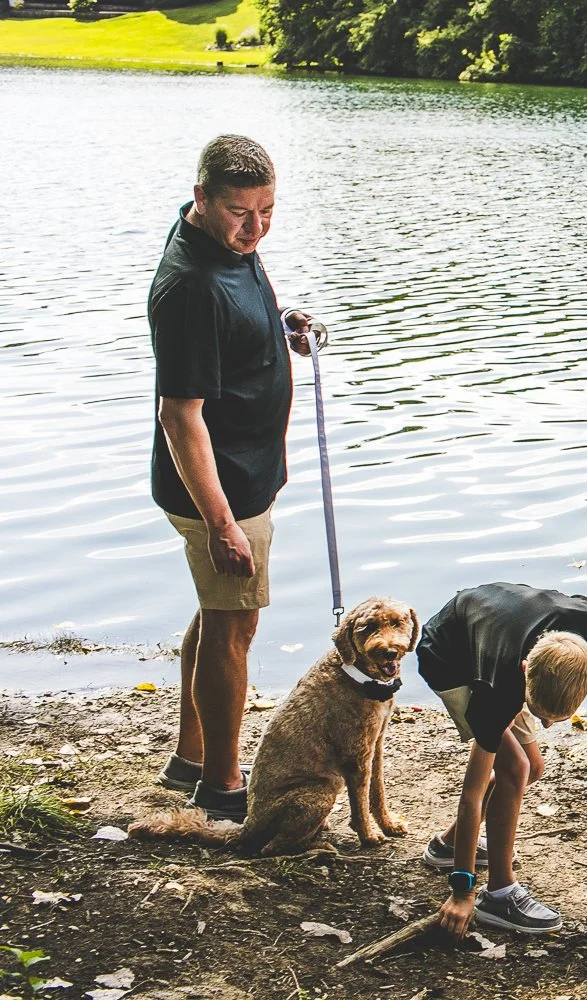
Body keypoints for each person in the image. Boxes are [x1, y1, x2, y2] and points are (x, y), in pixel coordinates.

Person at [150, 134, 317, 822]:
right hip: (220, 487)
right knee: (234, 627)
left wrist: (281, 325)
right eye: (240, 214)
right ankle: (222, 786)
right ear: (202, 199)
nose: (255, 228)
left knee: (218, 614)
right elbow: (179, 416)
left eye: (268, 211)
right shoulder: (189, 286)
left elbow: (235, 315)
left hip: (245, 475)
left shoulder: (227, 247)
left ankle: (191, 755)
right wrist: (221, 523)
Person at [422, 583, 587, 937]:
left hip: (496, 635)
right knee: (516, 768)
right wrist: (461, 891)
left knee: (532, 768)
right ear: (525, 671)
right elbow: (471, 796)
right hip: (449, 658)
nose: (547, 725)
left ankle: (445, 846)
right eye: (540, 715)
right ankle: (498, 895)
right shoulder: (495, 697)